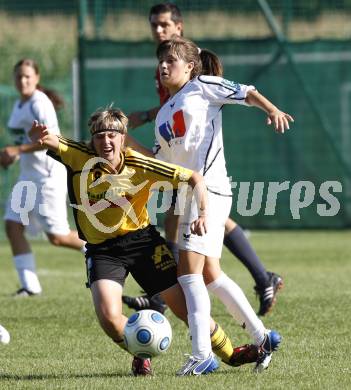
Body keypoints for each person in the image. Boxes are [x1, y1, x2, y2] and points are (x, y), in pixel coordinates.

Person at [29, 108, 262, 376]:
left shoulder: (140, 164)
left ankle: (231, 354)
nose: (106, 141)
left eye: (112, 135)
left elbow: (194, 178)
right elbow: (51, 139)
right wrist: (39, 136)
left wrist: (204, 213)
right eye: (100, 136)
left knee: (186, 311)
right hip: (103, 251)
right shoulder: (79, 155)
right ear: (92, 140)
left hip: (143, 244)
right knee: (109, 318)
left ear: (123, 137)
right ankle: (141, 353)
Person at [128, 36, 293, 375]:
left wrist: (272, 108)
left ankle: (201, 354)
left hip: (209, 190)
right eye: (160, 60)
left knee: (188, 273)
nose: (162, 65)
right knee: (209, 274)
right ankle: (262, 337)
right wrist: (126, 144)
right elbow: (161, 163)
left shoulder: (202, 86)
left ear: (190, 66)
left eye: (170, 60)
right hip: (190, 194)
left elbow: (246, 91)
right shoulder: (163, 115)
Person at [124, 2, 283, 317]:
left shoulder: (184, 58)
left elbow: (203, 95)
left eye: (165, 24)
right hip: (176, 151)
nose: (158, 30)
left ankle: (166, 299)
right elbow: (172, 108)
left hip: (198, 157)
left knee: (196, 229)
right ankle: (259, 285)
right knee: (203, 256)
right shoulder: (164, 64)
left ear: (179, 27)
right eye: (154, 24)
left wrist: (270, 108)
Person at [0, 59, 85, 297]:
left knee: (58, 237)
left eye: (28, 76)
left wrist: (17, 151)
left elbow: (52, 141)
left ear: (36, 78)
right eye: (19, 77)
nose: (23, 81)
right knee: (13, 225)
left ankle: (103, 247)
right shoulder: (19, 105)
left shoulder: (40, 103)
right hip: (28, 176)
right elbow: (23, 143)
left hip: (48, 176)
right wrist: (13, 156)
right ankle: (30, 286)